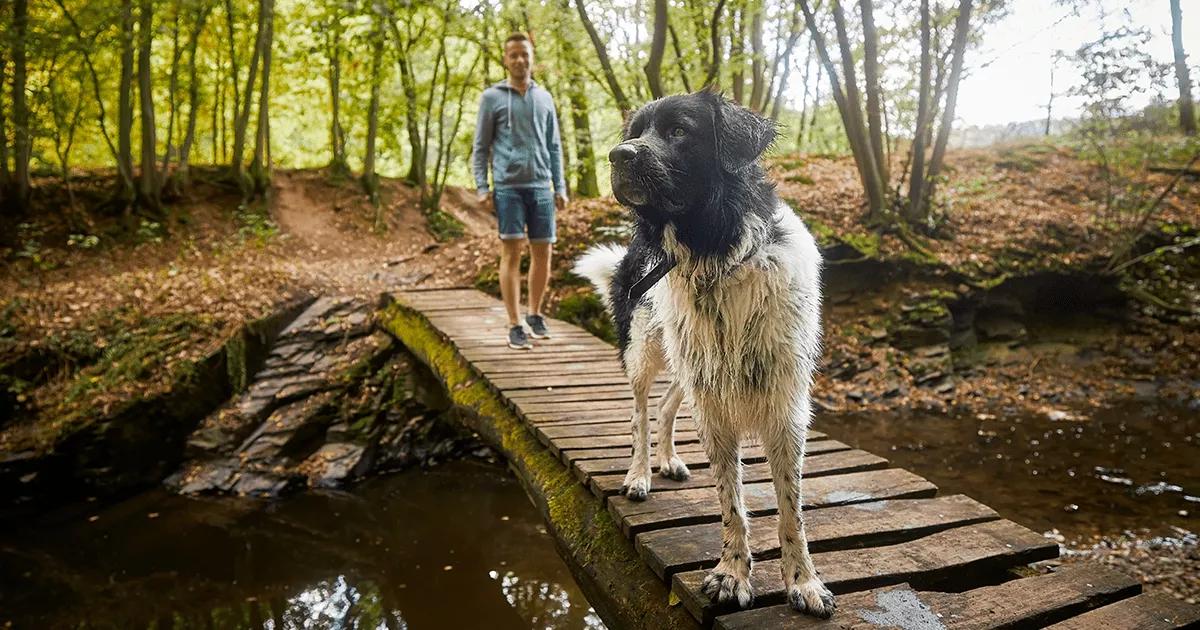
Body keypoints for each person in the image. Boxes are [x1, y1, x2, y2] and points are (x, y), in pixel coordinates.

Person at [472, 32, 568, 350]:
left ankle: (535, 314)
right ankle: (514, 323)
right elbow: (481, 147)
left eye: (524, 54)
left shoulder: (545, 98)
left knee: (544, 253)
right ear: (505, 58)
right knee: (511, 252)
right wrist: (483, 187)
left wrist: (560, 186)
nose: (519, 60)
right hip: (508, 187)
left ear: (532, 56)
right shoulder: (492, 98)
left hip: (541, 186)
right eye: (513, 55)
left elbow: (554, 146)